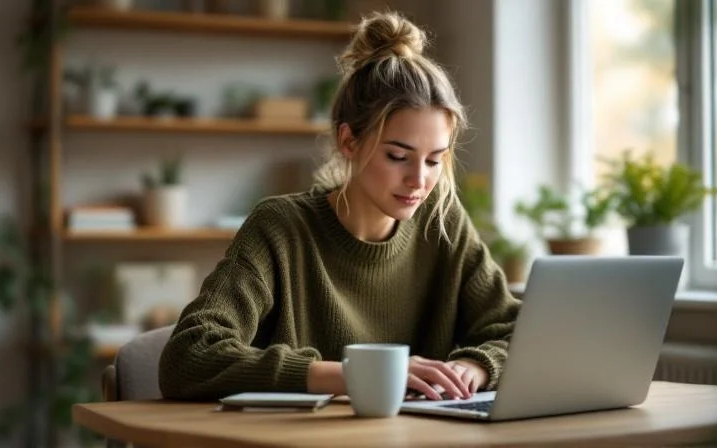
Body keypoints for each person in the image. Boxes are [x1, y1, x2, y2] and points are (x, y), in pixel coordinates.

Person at [159, 10, 520, 402]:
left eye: (434, 160)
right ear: (349, 141)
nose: (419, 180)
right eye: (398, 156)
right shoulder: (281, 228)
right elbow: (188, 356)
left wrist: (476, 366)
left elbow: (516, 329)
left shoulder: (441, 223)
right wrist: (358, 376)